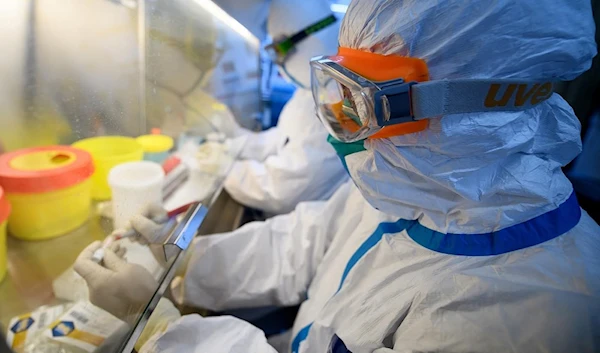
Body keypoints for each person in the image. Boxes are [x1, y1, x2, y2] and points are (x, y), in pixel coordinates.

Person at [74, 0, 600, 352]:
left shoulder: (531, 318)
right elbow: (305, 242)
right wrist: (185, 259)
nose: (340, 132)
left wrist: (165, 331)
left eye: (361, 102)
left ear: (478, 109)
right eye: (335, 87)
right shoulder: (418, 184)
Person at [221, 0, 347, 215]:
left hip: (303, 217)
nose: (278, 62)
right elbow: (281, 140)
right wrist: (232, 145)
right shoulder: (311, 91)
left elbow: (282, 190)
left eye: (279, 50)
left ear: (311, 41)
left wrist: (222, 168)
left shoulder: (337, 101)